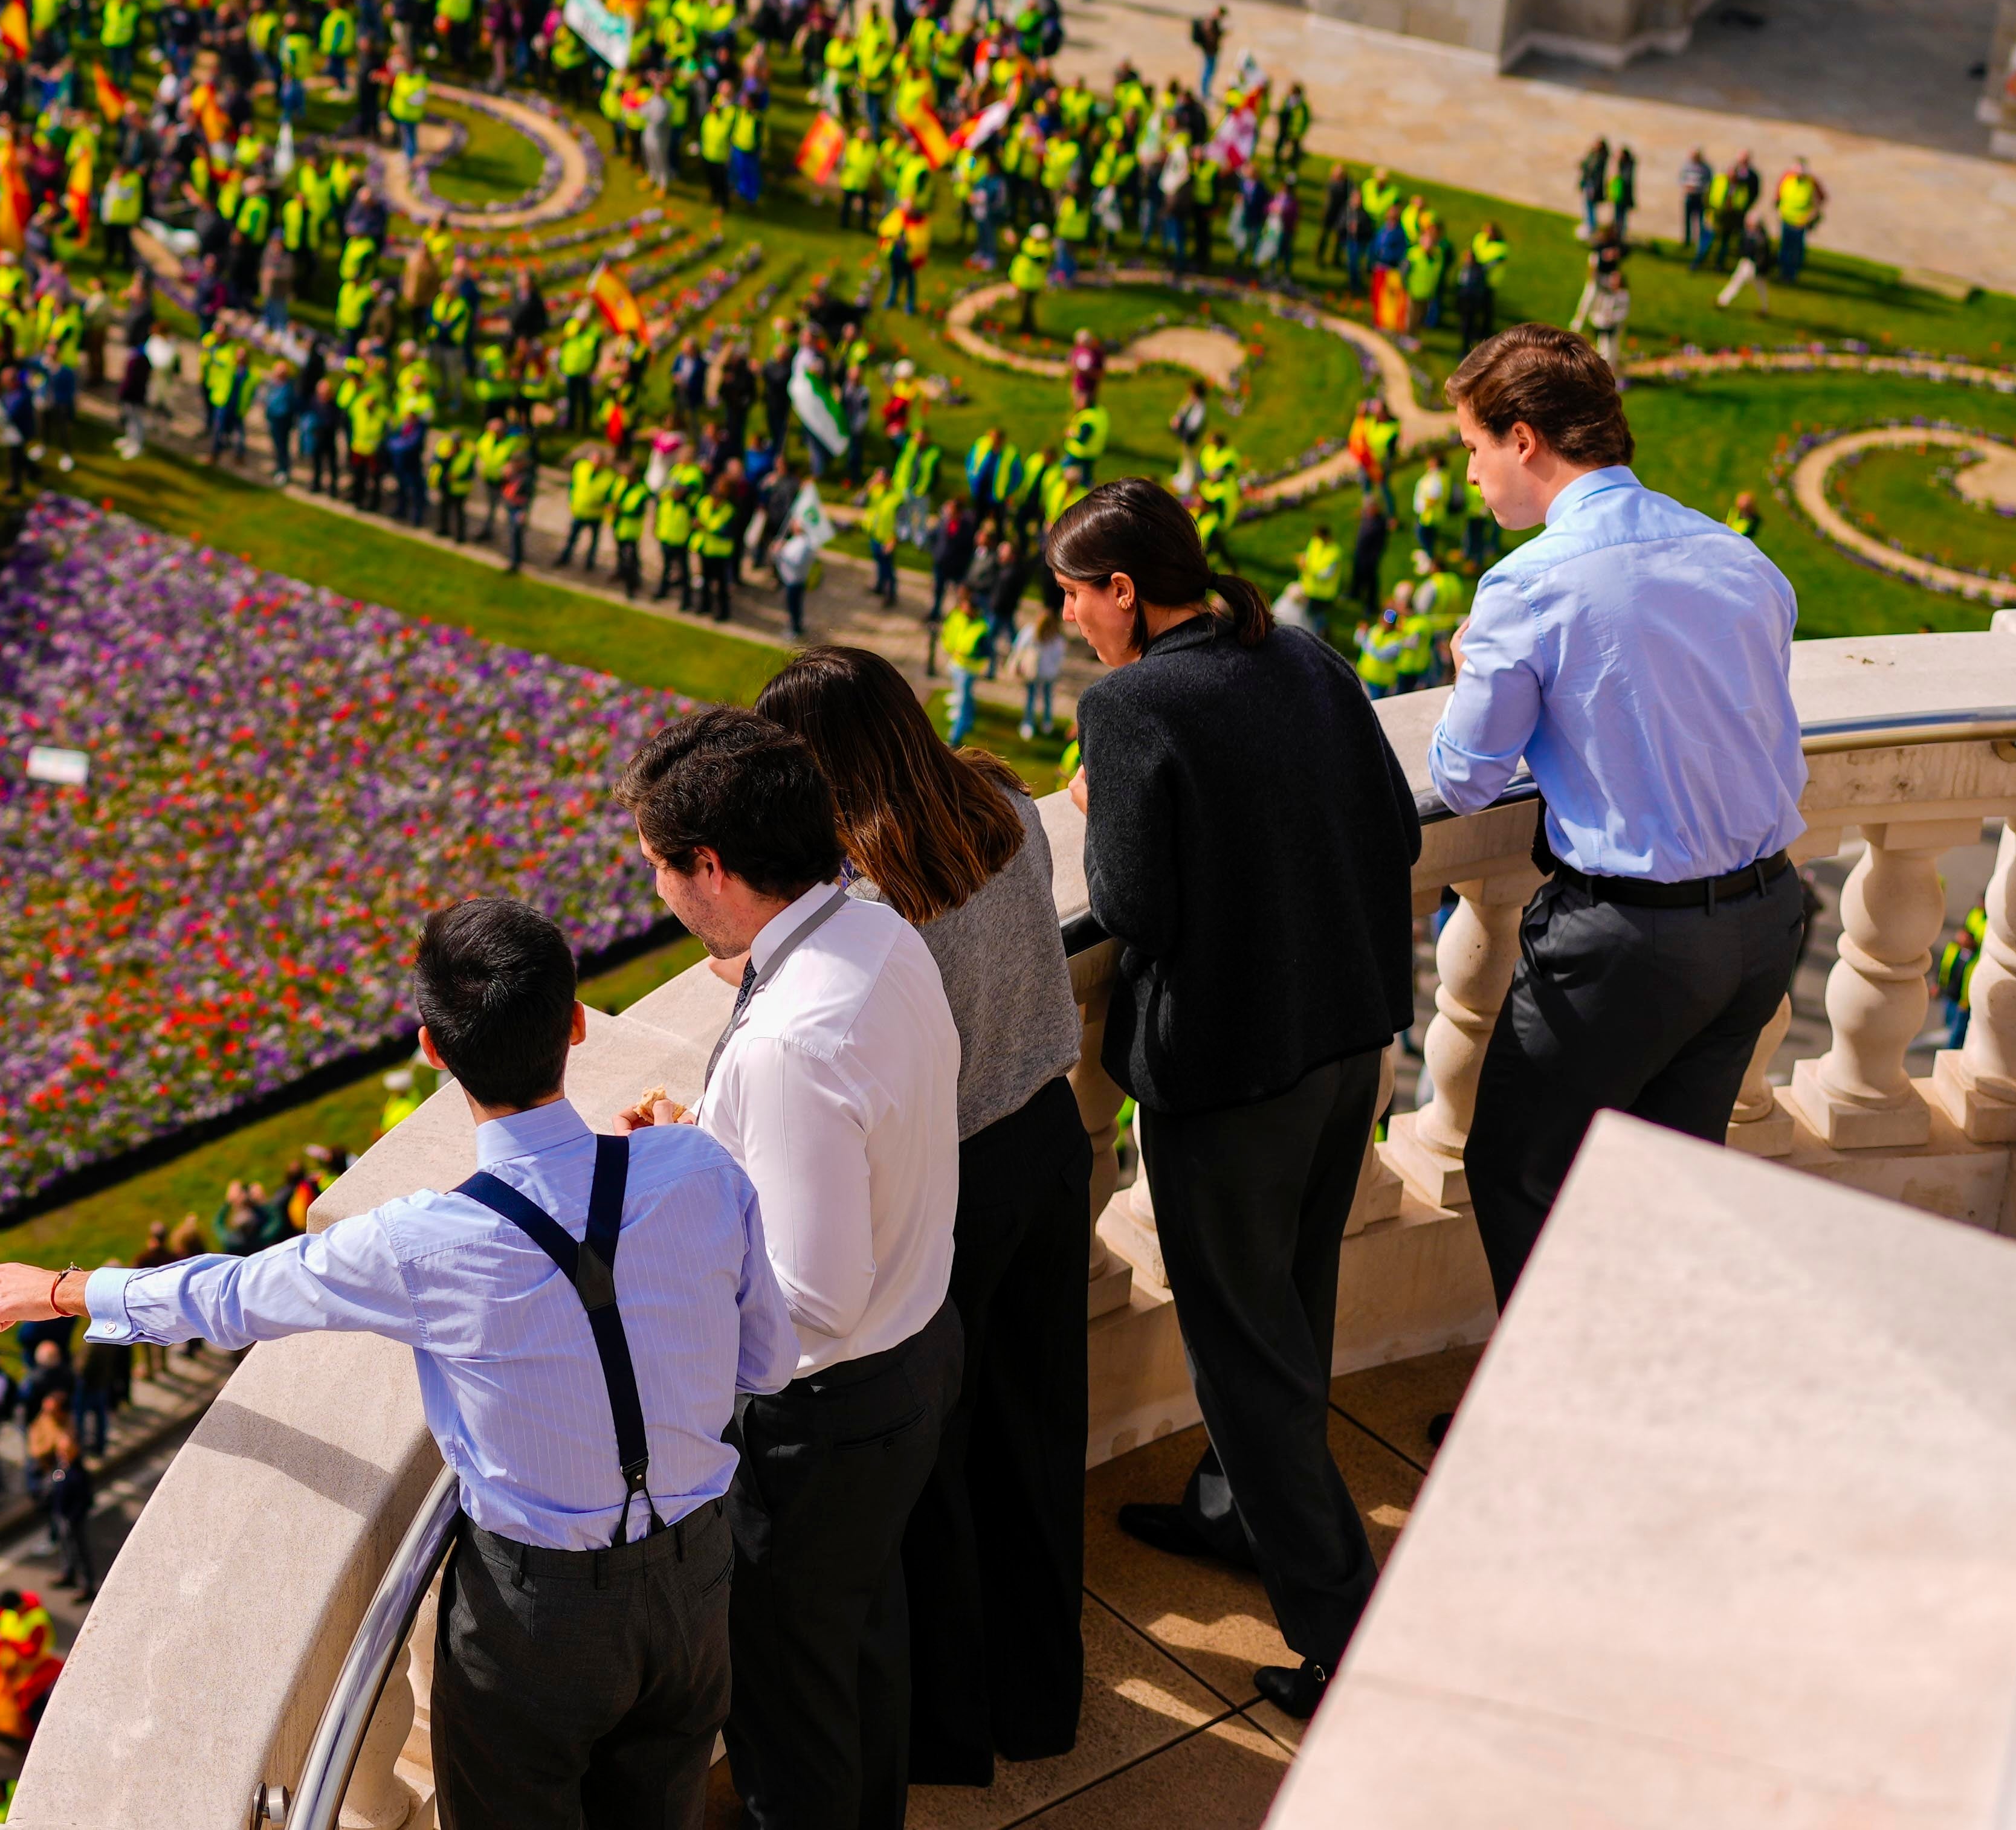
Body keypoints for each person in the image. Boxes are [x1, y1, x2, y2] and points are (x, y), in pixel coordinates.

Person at [0, 900, 782, 1830]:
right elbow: (765, 1358)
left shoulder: (421, 1240)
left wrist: (64, 1288)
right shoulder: (695, 1167)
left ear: (432, 1047)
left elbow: (230, 1295)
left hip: (540, 1613)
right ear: (576, 1022)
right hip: (698, 1565)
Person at [1053, 477, 1419, 1718]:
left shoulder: (1129, 702)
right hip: (1342, 1041)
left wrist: (1094, 815)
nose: (1069, 627)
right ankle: (1227, 1506)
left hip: (1226, 1074)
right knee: (1292, 1310)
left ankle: (1340, 1634)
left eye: (1073, 600)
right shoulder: (1304, 654)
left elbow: (1134, 908)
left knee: (1241, 1359)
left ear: (1119, 591)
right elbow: (1391, 826)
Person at [618, 711, 959, 1830]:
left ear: (710, 869)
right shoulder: (876, 934)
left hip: (821, 1416)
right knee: (861, 1644)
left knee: (787, 1708)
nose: (657, 887)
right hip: (911, 1358)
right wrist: (713, 1145)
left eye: (660, 866)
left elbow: (808, 1300)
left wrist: (672, 1252)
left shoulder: (783, 1042)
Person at [749, 648, 1084, 1785]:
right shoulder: (998, 802)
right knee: (1037, 1435)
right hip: (1048, 1139)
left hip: (955, 1180)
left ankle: (949, 1727)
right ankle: (1039, 1699)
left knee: (929, 1467)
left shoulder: (869, 900)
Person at [1426, 326, 1812, 1304]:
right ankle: (1637, 1395)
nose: (1468, 476)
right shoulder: (1735, 556)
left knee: (1514, 1170)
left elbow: (1465, 778)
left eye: (1470, 448)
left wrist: (1470, 665)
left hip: (1629, 942)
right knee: (1663, 1193)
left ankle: (1547, 1421)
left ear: (1522, 440)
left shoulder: (1528, 583)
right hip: (1765, 920)